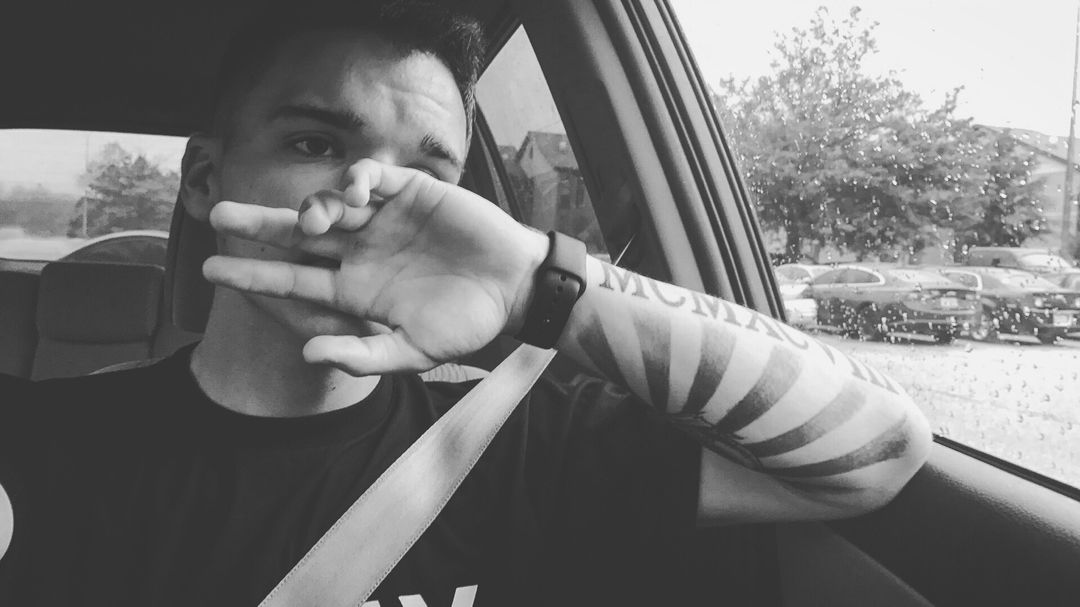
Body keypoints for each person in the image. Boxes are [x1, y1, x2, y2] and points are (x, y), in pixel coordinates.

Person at [0, 2, 932, 605]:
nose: (373, 197)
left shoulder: (523, 443)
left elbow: (878, 449)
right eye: (318, 143)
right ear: (206, 178)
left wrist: (540, 287)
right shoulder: (38, 444)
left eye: (427, 173)